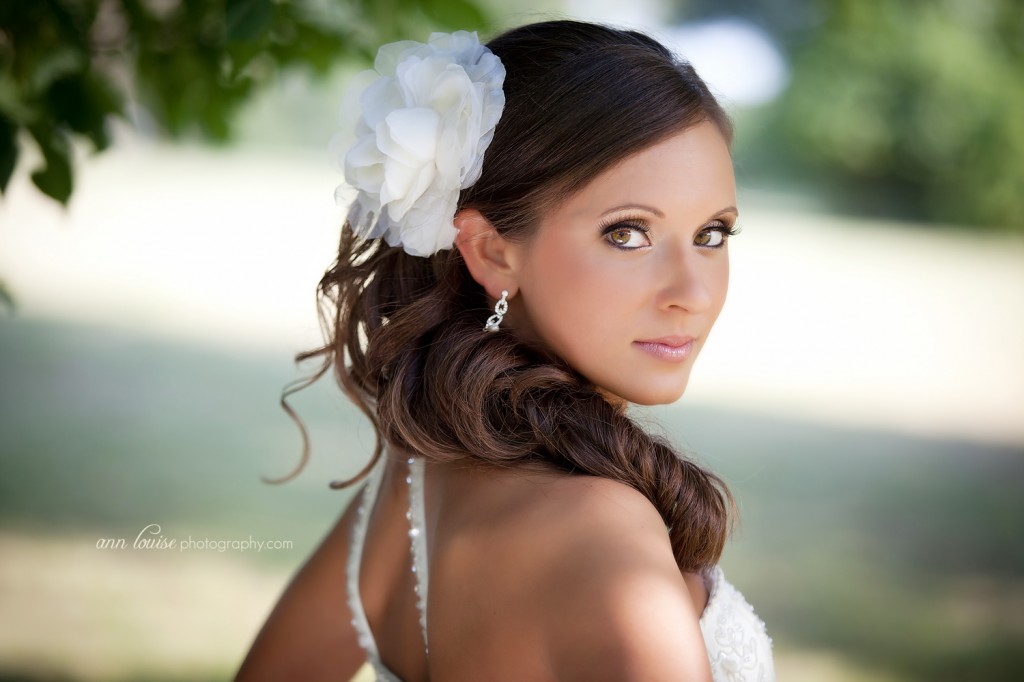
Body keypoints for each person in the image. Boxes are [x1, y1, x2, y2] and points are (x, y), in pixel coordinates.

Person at [236, 19, 775, 682]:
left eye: (713, 234)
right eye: (629, 234)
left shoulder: (410, 485)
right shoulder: (608, 540)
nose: (691, 291)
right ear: (492, 250)